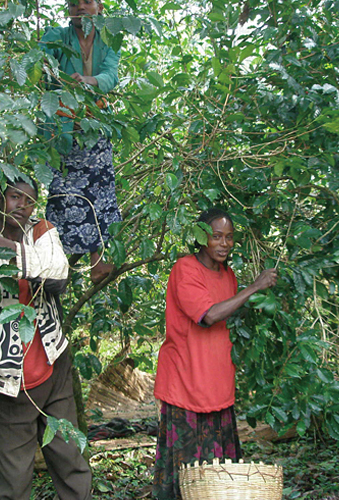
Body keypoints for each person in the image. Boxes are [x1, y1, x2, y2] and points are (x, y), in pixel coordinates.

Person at [0, 177, 92, 500]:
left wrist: (4, 245)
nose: (22, 207)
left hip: (53, 362)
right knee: (14, 471)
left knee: (69, 456)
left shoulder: (42, 232)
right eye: (15, 198)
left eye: (28, 201)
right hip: (9, 376)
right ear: (0, 200)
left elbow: (58, 274)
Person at [153, 208, 278, 499]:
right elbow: (208, 315)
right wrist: (254, 287)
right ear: (202, 237)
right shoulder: (185, 269)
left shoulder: (228, 275)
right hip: (185, 383)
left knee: (219, 475)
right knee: (185, 474)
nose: (224, 244)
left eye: (229, 238)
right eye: (217, 237)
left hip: (217, 384)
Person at [40, 0, 122, 284]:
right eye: (73, 3)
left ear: (100, 7)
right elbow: (41, 69)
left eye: (87, 2)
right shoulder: (55, 36)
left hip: (95, 128)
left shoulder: (109, 40)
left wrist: (87, 81)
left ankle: (98, 260)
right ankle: (55, 262)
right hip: (62, 130)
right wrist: (63, 82)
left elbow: (111, 75)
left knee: (100, 190)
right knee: (61, 194)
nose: (80, 8)